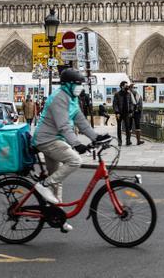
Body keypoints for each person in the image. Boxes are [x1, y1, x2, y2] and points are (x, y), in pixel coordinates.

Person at [32, 69, 110, 231]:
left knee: (57, 180)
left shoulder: (71, 98)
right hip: (47, 139)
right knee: (75, 160)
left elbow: (80, 121)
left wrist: (96, 137)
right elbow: (63, 126)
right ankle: (44, 185)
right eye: (77, 84)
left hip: (54, 139)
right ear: (67, 84)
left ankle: (58, 217)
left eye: (81, 84)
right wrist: (76, 144)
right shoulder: (59, 98)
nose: (79, 87)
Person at [113, 81, 133, 146]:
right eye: (126, 85)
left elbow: (130, 103)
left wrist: (130, 111)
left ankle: (128, 141)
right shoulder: (117, 94)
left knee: (128, 127)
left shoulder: (128, 94)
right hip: (119, 113)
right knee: (119, 127)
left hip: (126, 113)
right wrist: (117, 112)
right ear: (122, 86)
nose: (127, 86)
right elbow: (115, 104)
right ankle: (119, 141)